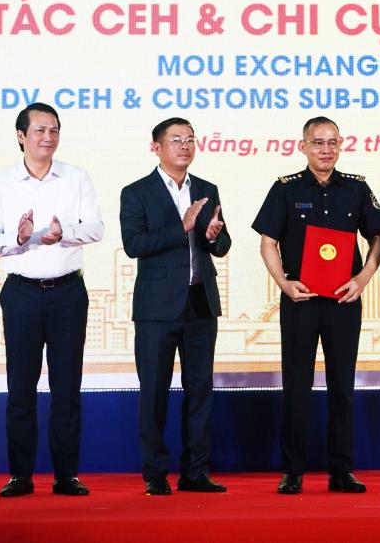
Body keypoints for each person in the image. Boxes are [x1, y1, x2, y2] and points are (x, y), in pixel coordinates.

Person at [252, 116, 380, 495]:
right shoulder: (285, 189)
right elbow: (268, 243)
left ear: (341, 145)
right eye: (318, 142)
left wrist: (362, 279)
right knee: (296, 385)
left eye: (332, 142)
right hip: (301, 298)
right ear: (303, 147)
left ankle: (341, 470)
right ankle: (293, 470)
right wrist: (284, 284)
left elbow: (378, 239)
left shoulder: (357, 188)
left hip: (344, 299)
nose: (325, 149)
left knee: (342, 386)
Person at [0, 103, 104, 497]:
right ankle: (20, 475)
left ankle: (67, 475)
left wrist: (63, 233)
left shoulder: (76, 177)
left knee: (67, 387)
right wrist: (19, 238)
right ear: (21, 136)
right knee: (21, 388)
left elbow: (96, 228)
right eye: (39, 131)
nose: (48, 137)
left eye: (54, 130)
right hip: (22, 293)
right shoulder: (3, 183)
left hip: (68, 292)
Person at [120, 117, 231, 496]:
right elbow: (134, 244)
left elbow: (222, 244)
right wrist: (181, 227)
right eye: (176, 140)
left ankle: (195, 472)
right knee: (154, 392)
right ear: (156, 147)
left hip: (201, 301)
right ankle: (155, 473)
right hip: (156, 309)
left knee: (200, 391)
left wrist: (213, 236)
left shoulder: (207, 189)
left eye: (190, 139)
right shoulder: (137, 192)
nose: (185, 146)